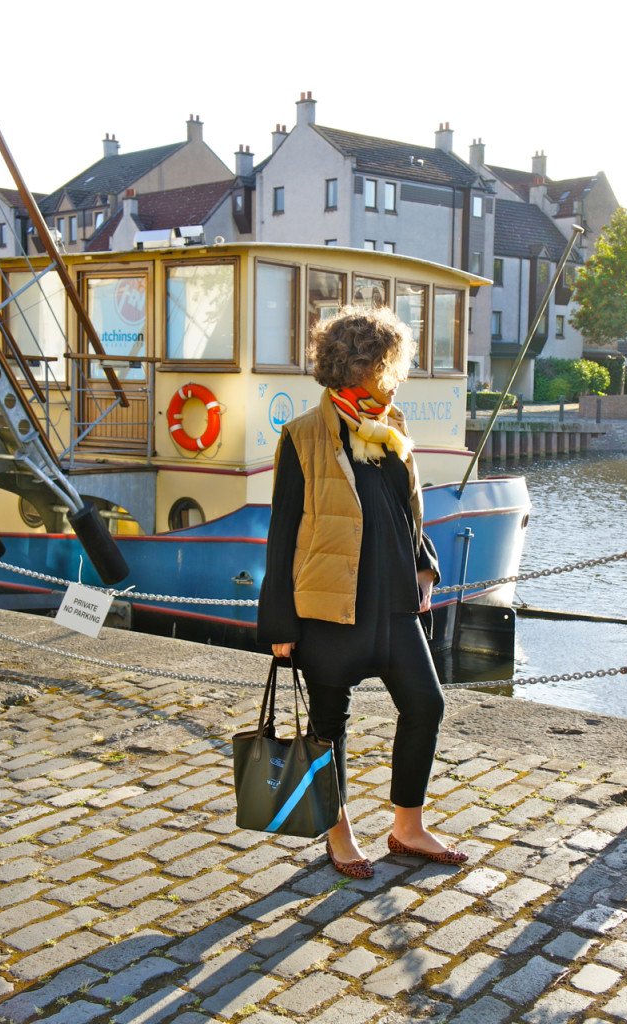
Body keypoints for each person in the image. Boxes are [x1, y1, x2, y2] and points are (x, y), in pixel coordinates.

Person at [257, 305, 468, 879]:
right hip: (330, 608)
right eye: (386, 363)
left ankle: (407, 825)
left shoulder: (390, 426)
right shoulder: (302, 435)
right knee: (329, 722)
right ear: (361, 365)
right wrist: (279, 624)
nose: (392, 373)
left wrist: (425, 564)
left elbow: (407, 512)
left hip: (394, 601)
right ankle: (338, 829)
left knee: (426, 703)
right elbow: (283, 532)